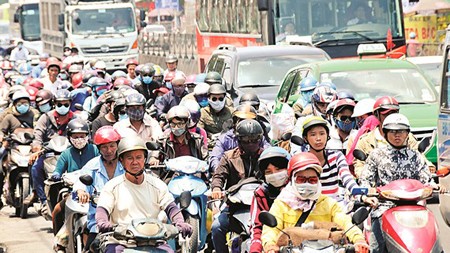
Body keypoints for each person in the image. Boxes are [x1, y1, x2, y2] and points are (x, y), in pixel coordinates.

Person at [359, 113, 446, 253]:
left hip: (415, 208)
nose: (397, 135)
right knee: (376, 248)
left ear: (407, 134)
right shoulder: (376, 155)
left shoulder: (416, 156)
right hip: (384, 207)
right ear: (385, 133)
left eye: (401, 131)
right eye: (392, 131)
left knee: (434, 242)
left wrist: (433, 185)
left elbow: (425, 178)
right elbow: (365, 181)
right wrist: (366, 195)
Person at [95, 136, 193, 253]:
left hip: (154, 241)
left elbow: (171, 207)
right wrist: (102, 222)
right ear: (121, 161)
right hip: (122, 242)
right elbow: (102, 209)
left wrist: (180, 222)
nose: (135, 162)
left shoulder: (157, 185)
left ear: (145, 159)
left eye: (139, 157)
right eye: (129, 158)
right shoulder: (112, 186)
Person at [261, 152, 369, 253]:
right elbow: (270, 230)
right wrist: (270, 245)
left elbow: (346, 223)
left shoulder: (329, 204)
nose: (307, 184)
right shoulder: (282, 203)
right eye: (301, 179)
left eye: (312, 180)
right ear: (292, 179)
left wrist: (359, 240)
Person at [210, 119, 265, 253]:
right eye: (246, 140)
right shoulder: (228, 157)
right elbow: (219, 176)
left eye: (254, 139)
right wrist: (217, 189)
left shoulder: (266, 157)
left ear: (260, 139)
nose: (250, 143)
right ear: (238, 140)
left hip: (262, 207)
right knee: (217, 227)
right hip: (235, 206)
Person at [352, 96, 434, 178]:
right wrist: (366, 178)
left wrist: (429, 167)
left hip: (406, 184)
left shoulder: (408, 137)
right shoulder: (365, 141)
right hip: (379, 186)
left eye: (393, 114)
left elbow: (418, 156)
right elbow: (359, 167)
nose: (390, 117)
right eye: (386, 114)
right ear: (377, 115)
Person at [72, 126, 123, 251]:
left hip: (126, 221)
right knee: (91, 248)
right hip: (99, 225)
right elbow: (79, 183)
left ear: (117, 145)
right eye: (104, 147)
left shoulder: (126, 164)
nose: (109, 150)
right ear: (98, 148)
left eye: (112, 146)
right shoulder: (92, 166)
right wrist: (81, 191)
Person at [50, 119, 99, 251]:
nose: (79, 139)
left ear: (88, 136)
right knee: (57, 210)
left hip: (94, 191)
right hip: (72, 192)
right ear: (69, 138)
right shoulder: (66, 154)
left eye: (82, 136)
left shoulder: (95, 150)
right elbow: (58, 169)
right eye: (75, 137)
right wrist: (55, 175)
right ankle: (60, 241)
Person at [27, 89, 75, 208]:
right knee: (35, 168)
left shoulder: (75, 118)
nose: (62, 106)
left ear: (70, 104)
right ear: (54, 103)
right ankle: (42, 199)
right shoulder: (46, 117)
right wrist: (37, 146)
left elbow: (83, 134)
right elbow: (38, 134)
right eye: (59, 104)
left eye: (65, 104)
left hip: (69, 152)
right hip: (48, 152)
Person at [301, 116, 360, 202]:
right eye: (313, 135)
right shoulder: (301, 160)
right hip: (308, 208)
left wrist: (361, 196)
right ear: (305, 138)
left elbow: (347, 178)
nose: (318, 138)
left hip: (333, 208)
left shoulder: (337, 156)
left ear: (328, 136)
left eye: (322, 134)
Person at [249, 147, 291, 253]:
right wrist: (256, 249)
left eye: (278, 169)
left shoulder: (298, 190)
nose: (275, 175)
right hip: (270, 245)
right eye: (269, 172)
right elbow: (257, 227)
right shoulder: (261, 193)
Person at [209, 104, 270, 172]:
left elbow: (269, 152)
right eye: (243, 120)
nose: (247, 125)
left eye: (250, 121)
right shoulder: (224, 139)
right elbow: (215, 158)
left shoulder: (259, 138)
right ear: (235, 121)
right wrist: (219, 171)